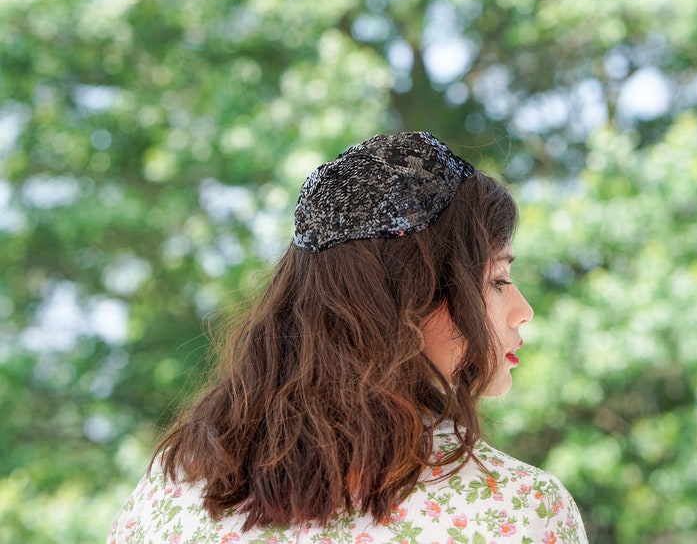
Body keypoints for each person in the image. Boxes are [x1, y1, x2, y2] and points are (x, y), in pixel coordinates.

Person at [107, 131, 588, 544]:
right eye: (497, 280)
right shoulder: (516, 511)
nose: (523, 311)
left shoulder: (176, 487)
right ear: (412, 300)